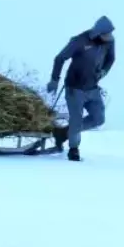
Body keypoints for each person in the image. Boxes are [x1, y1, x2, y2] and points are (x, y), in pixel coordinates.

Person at [47, 15, 115, 161]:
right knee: (76, 119)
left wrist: (103, 71)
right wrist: (54, 80)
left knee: (98, 118)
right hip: (75, 87)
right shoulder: (80, 41)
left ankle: (64, 133)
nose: (110, 36)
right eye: (107, 34)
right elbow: (60, 58)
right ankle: (73, 149)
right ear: (98, 33)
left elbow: (111, 59)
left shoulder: (109, 42)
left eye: (111, 34)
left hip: (93, 88)